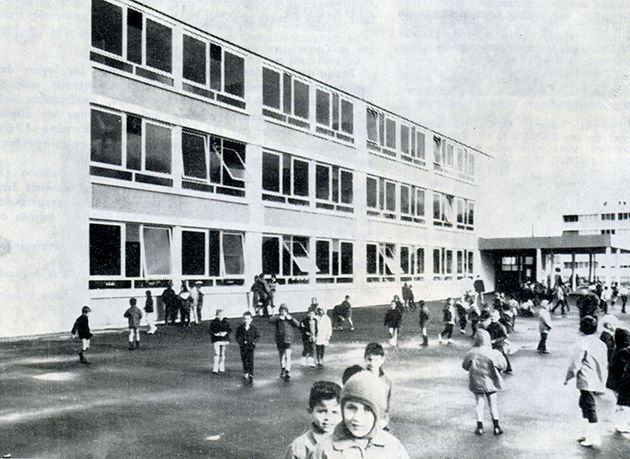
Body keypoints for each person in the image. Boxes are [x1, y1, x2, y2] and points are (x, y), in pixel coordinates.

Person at [308, 371, 410, 459]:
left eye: (367, 409)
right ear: (342, 409)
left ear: (378, 413)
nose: (357, 418)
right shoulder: (323, 450)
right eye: (351, 408)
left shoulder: (393, 446)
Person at [564, 315, 608, 448]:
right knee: (584, 403)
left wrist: (568, 377)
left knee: (589, 407)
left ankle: (594, 436)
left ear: (581, 328)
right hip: (597, 377)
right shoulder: (601, 343)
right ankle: (587, 432)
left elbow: (575, 365)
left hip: (586, 379)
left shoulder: (581, 344)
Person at [462, 329, 507, 436]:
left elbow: (465, 366)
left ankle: (479, 427)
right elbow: (503, 365)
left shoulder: (471, 353)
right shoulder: (494, 353)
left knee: (479, 403)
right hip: (491, 381)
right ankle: (496, 426)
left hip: (477, 381)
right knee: (493, 403)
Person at [284, 381, 342, 459]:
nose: (328, 417)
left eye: (334, 412)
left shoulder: (349, 441)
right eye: (321, 411)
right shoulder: (299, 447)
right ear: (310, 410)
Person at [606, 328, 630, 433]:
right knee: (623, 405)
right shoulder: (623, 352)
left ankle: (620, 423)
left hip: (615, 383)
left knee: (622, 404)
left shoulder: (617, 350)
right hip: (621, 383)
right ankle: (621, 424)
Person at [363, 342, 392, 428]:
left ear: (382, 360)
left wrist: (384, 419)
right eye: (369, 359)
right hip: (365, 419)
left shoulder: (386, 380)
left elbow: (386, 402)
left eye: (376, 360)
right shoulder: (361, 377)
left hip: (381, 420)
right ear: (365, 358)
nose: (372, 363)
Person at [270, 304, 301, 380]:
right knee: (281, 356)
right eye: (281, 311)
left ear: (287, 312)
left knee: (288, 355)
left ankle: (287, 370)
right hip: (280, 339)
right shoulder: (278, 319)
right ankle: (283, 369)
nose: (283, 312)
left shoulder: (289, 319)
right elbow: (270, 320)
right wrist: (278, 317)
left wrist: (292, 319)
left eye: (284, 311)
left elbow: (298, 325)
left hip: (288, 339)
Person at [235, 311, 260, 381]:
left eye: (248, 319)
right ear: (243, 319)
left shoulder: (253, 328)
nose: (246, 321)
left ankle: (251, 373)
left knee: (250, 360)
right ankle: (246, 371)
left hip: (250, 346)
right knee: (244, 359)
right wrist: (240, 342)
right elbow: (237, 336)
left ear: (251, 319)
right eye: (245, 319)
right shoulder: (240, 328)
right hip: (243, 346)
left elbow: (257, 336)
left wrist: (254, 342)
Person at [209, 309, 232, 374]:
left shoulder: (226, 322)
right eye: (219, 315)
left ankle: (221, 367)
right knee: (217, 353)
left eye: (222, 315)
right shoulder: (213, 322)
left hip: (224, 339)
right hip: (216, 339)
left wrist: (225, 332)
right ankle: (215, 368)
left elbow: (229, 330)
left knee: (222, 353)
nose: (220, 316)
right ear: (216, 315)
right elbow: (211, 330)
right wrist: (215, 334)